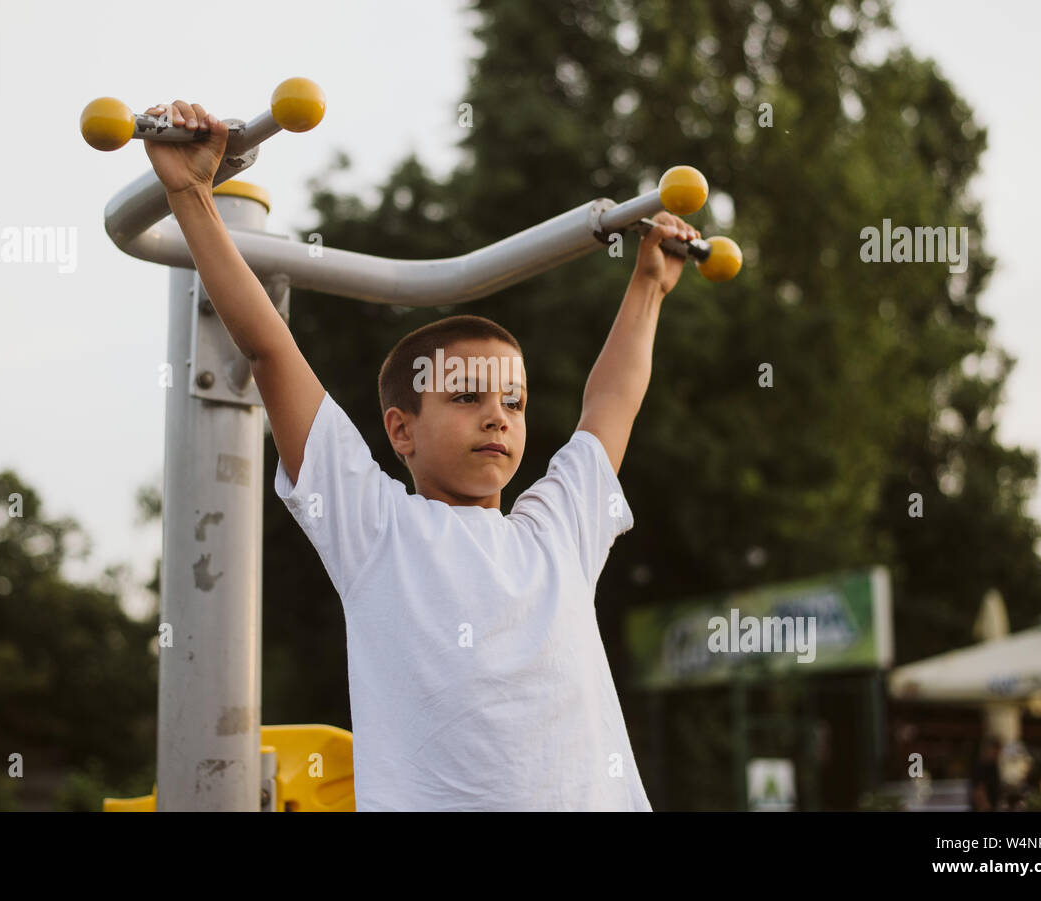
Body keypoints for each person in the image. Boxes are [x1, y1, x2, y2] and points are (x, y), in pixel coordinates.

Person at [143, 100, 700, 811]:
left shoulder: (559, 528)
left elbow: (610, 404)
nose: (498, 415)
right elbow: (270, 349)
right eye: (468, 397)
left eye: (515, 402)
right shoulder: (376, 528)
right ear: (402, 430)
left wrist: (649, 282)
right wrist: (190, 193)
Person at [968, 735, 1003, 811]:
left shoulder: (994, 766)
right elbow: (979, 790)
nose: (998, 754)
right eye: (996, 750)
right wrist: (985, 806)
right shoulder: (980, 766)